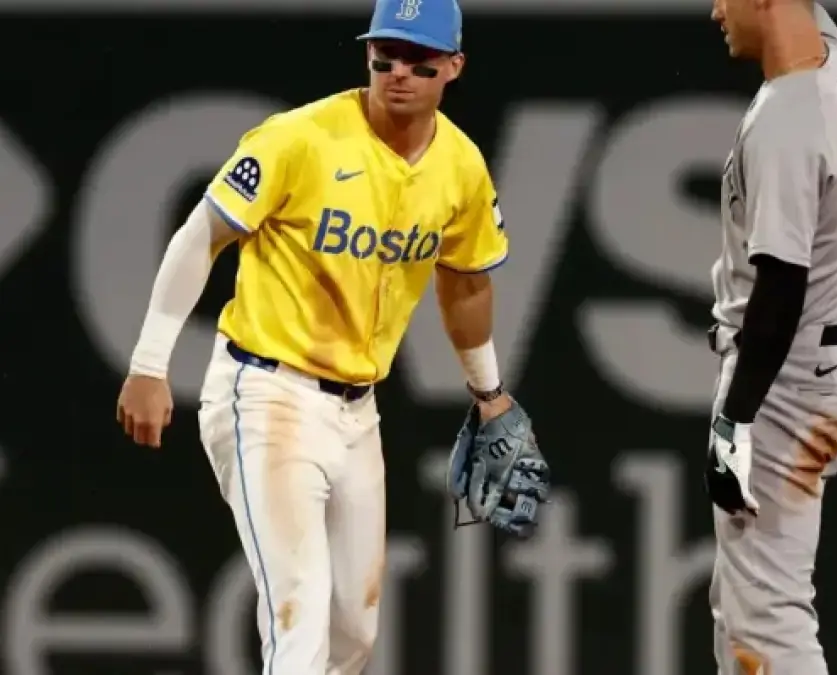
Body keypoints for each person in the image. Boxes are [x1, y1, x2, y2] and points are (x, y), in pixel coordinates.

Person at [114, 0, 527, 671]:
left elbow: (465, 283)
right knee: (297, 610)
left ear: (454, 67)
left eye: (419, 61)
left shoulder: (460, 166)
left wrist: (490, 395)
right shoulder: (300, 139)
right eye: (385, 56)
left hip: (358, 411)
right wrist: (149, 362)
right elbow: (201, 235)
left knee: (353, 631)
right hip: (266, 391)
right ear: (368, 54)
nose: (398, 72)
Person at [703, 0, 837, 672]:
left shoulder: (787, 120)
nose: (715, 10)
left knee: (769, 627)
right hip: (834, 363)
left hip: (786, 388)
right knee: (742, 615)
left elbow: (780, 290)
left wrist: (735, 420)